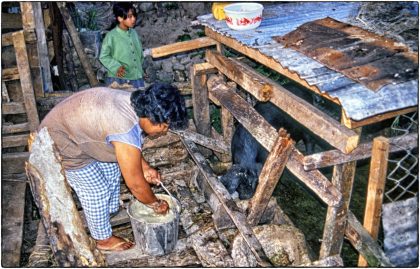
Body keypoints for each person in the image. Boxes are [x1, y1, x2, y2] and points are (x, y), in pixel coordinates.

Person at [38, 83, 188, 252]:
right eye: (163, 126)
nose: (164, 131)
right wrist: (155, 203)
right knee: (97, 190)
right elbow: (135, 184)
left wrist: (145, 167)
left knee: (112, 169)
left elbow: (131, 145)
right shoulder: (124, 128)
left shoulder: (138, 103)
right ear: (150, 116)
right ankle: (102, 239)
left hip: (83, 133)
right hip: (60, 143)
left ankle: (105, 211)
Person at [100, 2, 145, 89]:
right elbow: (103, 56)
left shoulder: (134, 33)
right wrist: (117, 67)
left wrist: (139, 69)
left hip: (136, 77)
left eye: (134, 16)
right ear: (120, 18)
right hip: (119, 79)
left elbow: (139, 54)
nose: (133, 19)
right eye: (130, 17)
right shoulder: (111, 36)